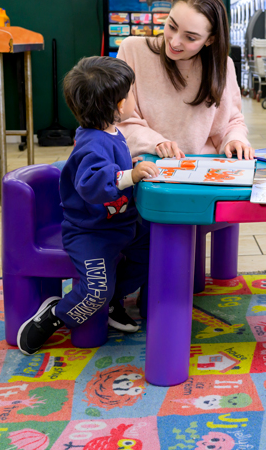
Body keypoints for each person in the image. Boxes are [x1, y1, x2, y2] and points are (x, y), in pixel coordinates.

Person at [16, 56, 161, 355]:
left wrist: (130, 165)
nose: (134, 97)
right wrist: (128, 175)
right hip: (90, 233)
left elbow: (112, 167)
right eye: (131, 93)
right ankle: (56, 315)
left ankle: (110, 302)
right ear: (120, 106)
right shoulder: (92, 143)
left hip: (121, 225)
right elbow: (92, 184)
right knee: (95, 290)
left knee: (152, 251)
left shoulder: (109, 131)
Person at [116, 0, 253, 160]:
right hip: (149, 165)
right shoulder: (132, 51)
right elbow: (120, 119)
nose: (174, 42)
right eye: (172, 26)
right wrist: (157, 143)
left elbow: (232, 121)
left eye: (190, 37)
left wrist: (235, 140)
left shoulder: (223, 66)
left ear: (210, 40)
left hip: (203, 168)